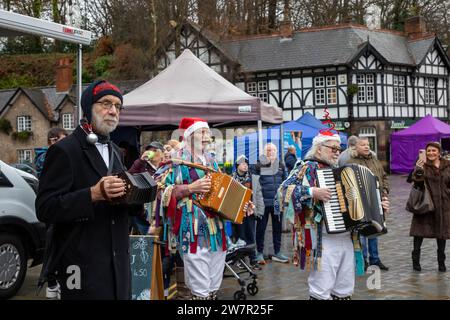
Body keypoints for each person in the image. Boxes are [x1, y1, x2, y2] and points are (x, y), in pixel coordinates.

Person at [36, 80, 130, 300]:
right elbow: (45, 208)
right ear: (88, 108)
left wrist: (135, 197)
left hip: (119, 265)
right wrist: (93, 194)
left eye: (118, 106)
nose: (113, 111)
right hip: (80, 266)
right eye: (106, 103)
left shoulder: (116, 150)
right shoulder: (64, 150)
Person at [275, 131, 389, 300]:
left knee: (344, 289)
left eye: (339, 148)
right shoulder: (306, 167)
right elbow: (281, 193)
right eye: (333, 148)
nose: (337, 151)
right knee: (321, 289)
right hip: (323, 240)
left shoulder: (343, 170)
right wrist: (312, 191)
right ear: (319, 149)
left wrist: (379, 207)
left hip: (348, 239)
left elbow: (358, 203)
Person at [158, 117, 253, 299]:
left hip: (216, 229)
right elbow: (159, 191)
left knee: (213, 282)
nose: (207, 136)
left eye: (208, 132)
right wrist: (189, 188)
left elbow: (223, 193)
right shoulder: (176, 159)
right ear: (189, 135)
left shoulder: (211, 160)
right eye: (202, 132)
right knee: (200, 286)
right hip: (192, 227)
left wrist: (243, 205)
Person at [346, 137, 390, 271]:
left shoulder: (375, 160)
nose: (366, 147)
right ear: (356, 147)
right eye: (363, 145)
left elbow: (384, 177)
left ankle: (375, 260)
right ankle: (363, 259)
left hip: (376, 200)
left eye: (368, 145)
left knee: (375, 229)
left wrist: (385, 190)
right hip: (359, 201)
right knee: (362, 230)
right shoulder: (350, 162)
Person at [410, 141, 450, 272]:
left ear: (439, 152)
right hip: (425, 203)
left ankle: (441, 263)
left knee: (441, 234)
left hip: (443, 205)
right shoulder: (422, 165)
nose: (431, 153)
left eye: (434, 151)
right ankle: (416, 261)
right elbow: (417, 183)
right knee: (419, 233)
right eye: (428, 151)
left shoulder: (447, 165)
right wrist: (418, 169)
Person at [253, 142, 288, 264]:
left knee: (277, 229)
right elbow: (255, 185)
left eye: (273, 150)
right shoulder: (258, 166)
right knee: (261, 229)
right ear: (264, 152)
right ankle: (259, 253)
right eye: (268, 150)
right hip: (263, 203)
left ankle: (277, 252)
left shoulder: (281, 166)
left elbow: (285, 183)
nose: (271, 152)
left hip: (277, 203)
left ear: (276, 152)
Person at [231, 155, 263, 270]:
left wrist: (259, 210)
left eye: (246, 164)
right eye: (243, 164)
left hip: (249, 212)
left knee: (251, 235)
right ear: (237, 165)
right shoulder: (232, 178)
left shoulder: (252, 178)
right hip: (237, 212)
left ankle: (253, 259)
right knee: (240, 236)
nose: (245, 166)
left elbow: (258, 195)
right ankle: (240, 260)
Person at [128, 148, 163, 235]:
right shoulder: (143, 165)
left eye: (155, 150)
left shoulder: (165, 167)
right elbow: (130, 176)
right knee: (146, 241)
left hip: (159, 214)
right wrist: (141, 160)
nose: (151, 152)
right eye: (149, 150)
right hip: (141, 212)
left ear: (161, 154)